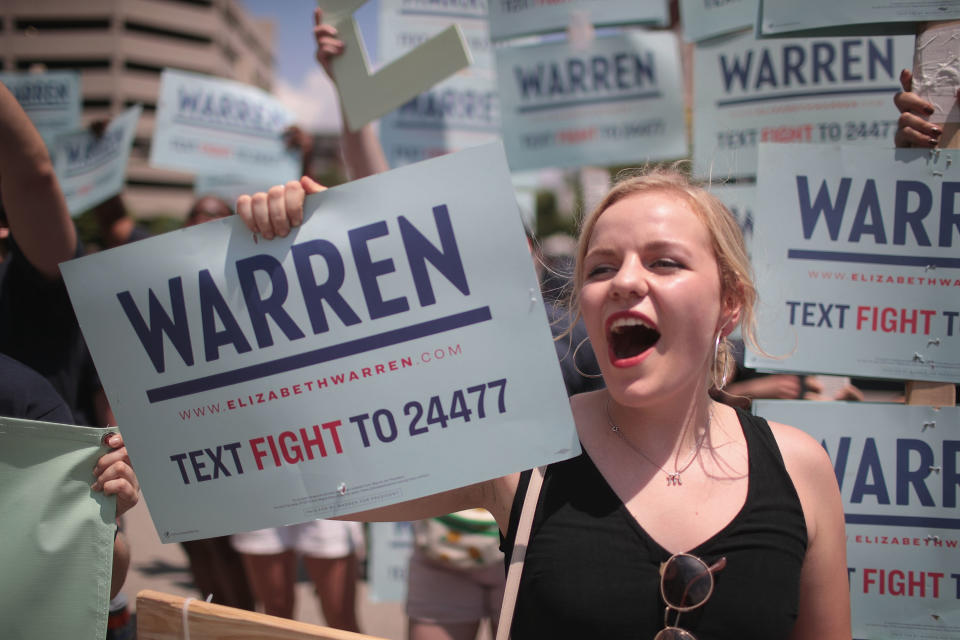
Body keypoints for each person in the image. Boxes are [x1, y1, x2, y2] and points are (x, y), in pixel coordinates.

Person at [235, 163, 852, 638]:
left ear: (730, 301)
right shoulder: (526, 449)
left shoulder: (800, 471)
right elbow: (299, 474)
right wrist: (296, 255)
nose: (627, 282)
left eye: (664, 262)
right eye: (601, 267)